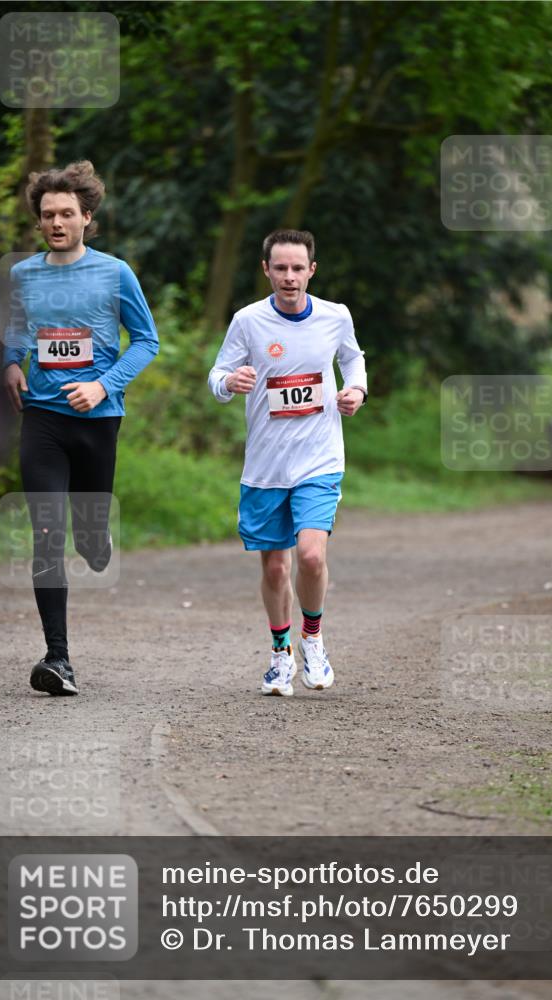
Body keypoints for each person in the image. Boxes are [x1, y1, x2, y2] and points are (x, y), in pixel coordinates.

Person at [2, 160, 159, 696]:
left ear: (87, 217)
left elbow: (146, 341)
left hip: (97, 420)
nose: (57, 222)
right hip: (43, 419)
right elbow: (17, 329)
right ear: (38, 220)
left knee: (89, 537)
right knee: (46, 532)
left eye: (67, 213)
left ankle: (96, 535)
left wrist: (103, 386)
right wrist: (12, 363)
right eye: (48, 214)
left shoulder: (115, 273)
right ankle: (58, 658)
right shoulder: (24, 275)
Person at [208, 229, 367, 696]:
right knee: (276, 568)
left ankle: (312, 639)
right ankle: (281, 654)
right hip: (266, 467)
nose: (290, 276)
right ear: (267, 270)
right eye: (280, 268)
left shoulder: (335, 316)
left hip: (319, 459)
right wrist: (229, 382)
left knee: (312, 556)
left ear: (312, 270)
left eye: (298, 268)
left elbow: (353, 360)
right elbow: (218, 374)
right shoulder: (248, 321)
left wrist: (356, 390)